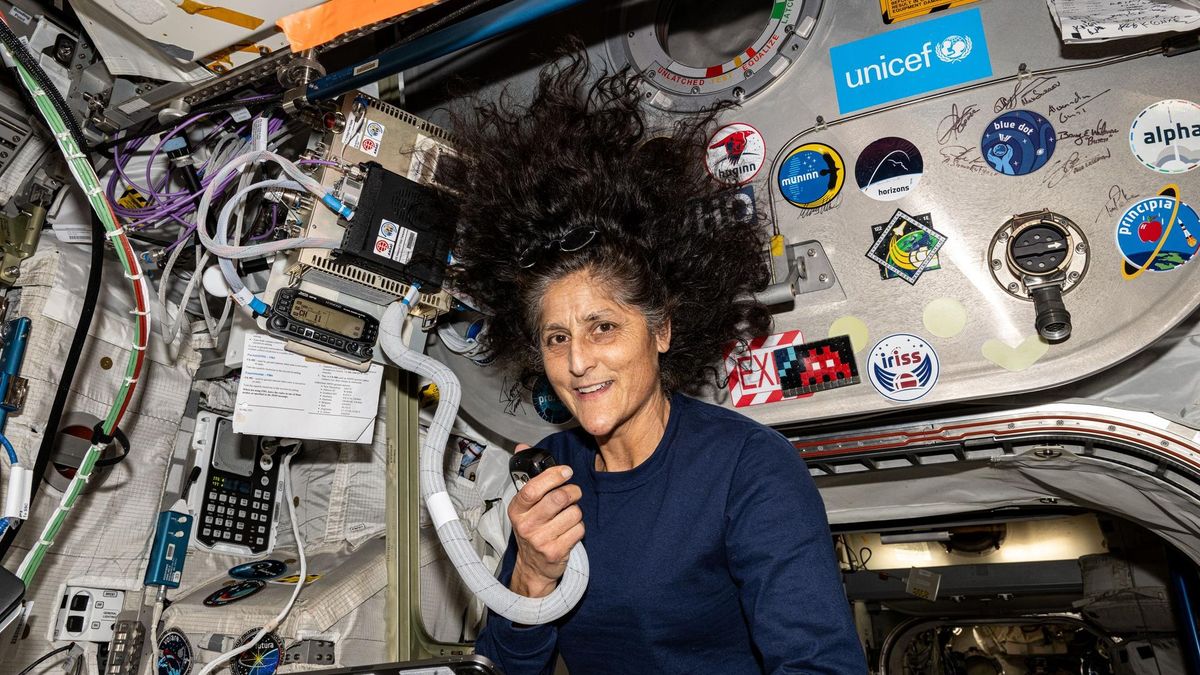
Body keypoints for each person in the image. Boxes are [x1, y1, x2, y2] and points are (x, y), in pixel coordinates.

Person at [447, 49, 866, 675]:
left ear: (663, 329)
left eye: (604, 327)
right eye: (556, 338)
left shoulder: (747, 469)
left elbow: (820, 665)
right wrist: (533, 576)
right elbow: (506, 668)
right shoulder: (552, 473)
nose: (579, 362)